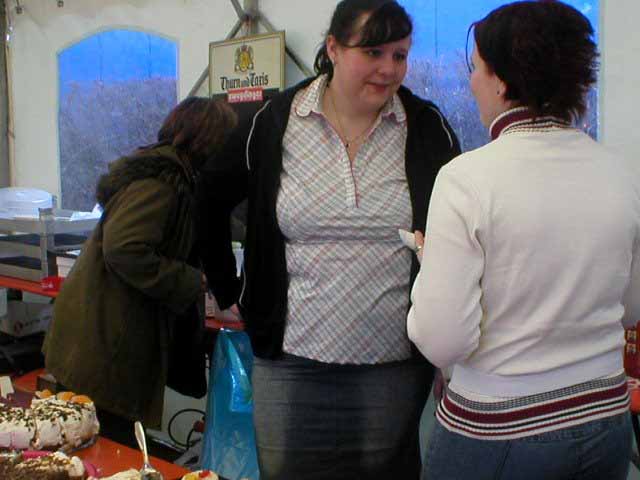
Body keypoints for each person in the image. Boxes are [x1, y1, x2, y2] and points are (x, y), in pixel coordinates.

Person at [198, 1, 460, 478]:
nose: (389, 69)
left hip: (393, 365)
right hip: (290, 362)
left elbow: (456, 238)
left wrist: (450, 348)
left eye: (400, 55)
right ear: (334, 49)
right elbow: (209, 195)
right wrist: (227, 287)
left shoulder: (425, 128)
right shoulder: (275, 122)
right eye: (373, 52)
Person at [407, 1, 637, 479]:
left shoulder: (466, 179)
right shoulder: (620, 174)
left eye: (477, 68)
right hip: (605, 418)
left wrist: (432, 268)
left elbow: (441, 340)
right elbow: (631, 306)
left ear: (502, 81)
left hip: (499, 429)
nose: (471, 81)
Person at [43, 97, 236, 443]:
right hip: (105, 343)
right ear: (209, 140)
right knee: (106, 446)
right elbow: (125, 248)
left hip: (104, 336)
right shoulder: (161, 183)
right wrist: (194, 281)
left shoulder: (173, 177)